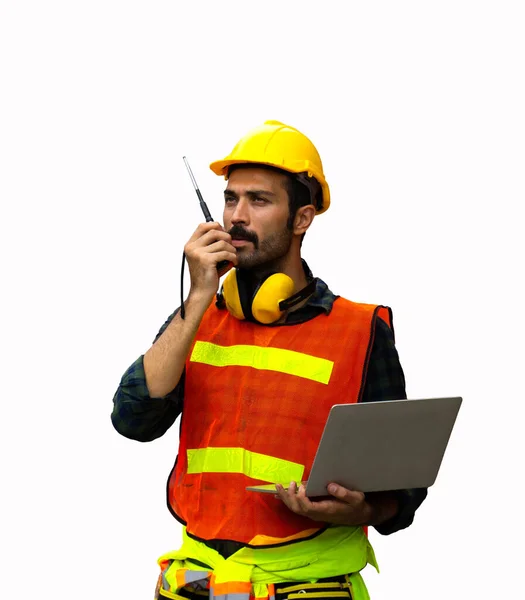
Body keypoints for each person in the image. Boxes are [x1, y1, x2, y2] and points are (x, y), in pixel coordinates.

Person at [111, 120, 427, 600]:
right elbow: (133, 420)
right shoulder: (196, 319)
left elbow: (401, 488)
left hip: (309, 585)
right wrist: (199, 297)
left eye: (259, 201)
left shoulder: (361, 331)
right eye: (231, 198)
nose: (237, 216)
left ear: (301, 219)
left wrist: (361, 511)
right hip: (197, 583)